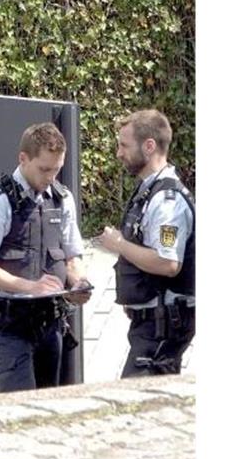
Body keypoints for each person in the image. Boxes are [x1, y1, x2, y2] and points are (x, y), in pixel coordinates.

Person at [0, 122, 92, 392]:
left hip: (52, 322)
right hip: (11, 324)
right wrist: (32, 288)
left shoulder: (63, 199)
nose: (50, 176)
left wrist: (80, 283)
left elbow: (72, 257)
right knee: (19, 406)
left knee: (51, 407)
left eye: (57, 169)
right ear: (23, 159)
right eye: (44, 169)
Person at [96, 109, 194, 376]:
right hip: (150, 326)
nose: (118, 153)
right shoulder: (149, 191)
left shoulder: (167, 203)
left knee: (137, 405)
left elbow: (168, 262)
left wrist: (119, 244)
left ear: (149, 146)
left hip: (162, 328)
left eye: (124, 145)